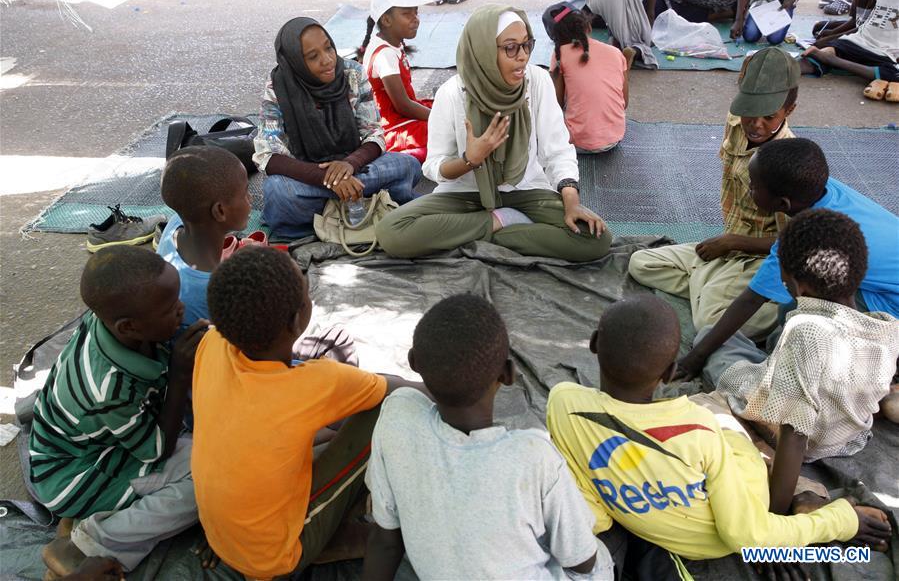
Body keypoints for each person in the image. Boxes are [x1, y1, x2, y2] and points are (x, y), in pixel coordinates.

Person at [546, 296, 892, 580]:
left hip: (670, 517)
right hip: (736, 521)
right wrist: (842, 521)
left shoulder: (562, 403)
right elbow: (747, 535)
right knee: (725, 413)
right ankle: (804, 495)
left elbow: (594, 509)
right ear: (670, 373)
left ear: (592, 345)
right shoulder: (698, 429)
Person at [191, 246, 424, 579]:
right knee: (388, 409)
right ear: (297, 320)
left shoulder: (211, 343)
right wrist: (463, 391)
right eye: (306, 290)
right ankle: (327, 540)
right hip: (273, 560)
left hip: (222, 532)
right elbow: (397, 388)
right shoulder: (317, 384)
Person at [363, 294, 614, 580]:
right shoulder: (534, 455)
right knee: (602, 551)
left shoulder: (397, 415)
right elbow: (580, 562)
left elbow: (385, 541)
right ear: (507, 374)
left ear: (413, 362)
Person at [701, 209, 899, 518]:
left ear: (795, 283)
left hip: (802, 439)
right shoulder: (887, 325)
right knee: (770, 349)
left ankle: (802, 491)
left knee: (716, 372)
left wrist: (776, 520)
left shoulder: (804, 332)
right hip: (848, 437)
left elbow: (794, 435)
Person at [376, 7, 612, 262]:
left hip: (525, 190)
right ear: (484, 49)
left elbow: (558, 151)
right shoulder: (453, 93)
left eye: (526, 45)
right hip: (464, 196)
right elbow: (434, 166)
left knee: (596, 238)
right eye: (510, 48)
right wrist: (470, 161)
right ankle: (500, 222)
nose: (522, 56)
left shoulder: (538, 81)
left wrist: (571, 202)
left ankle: (480, 233)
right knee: (392, 232)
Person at [30, 246, 206, 576]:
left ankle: (97, 518)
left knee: (209, 449)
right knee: (210, 480)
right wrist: (180, 374)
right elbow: (156, 451)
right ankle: (91, 544)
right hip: (76, 475)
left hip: (96, 442)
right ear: (128, 328)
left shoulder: (119, 326)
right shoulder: (108, 389)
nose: (181, 309)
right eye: (170, 309)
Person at [676, 138, 899, 381]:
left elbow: (751, 300)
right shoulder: (824, 190)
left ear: (782, 203)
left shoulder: (808, 236)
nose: (748, 188)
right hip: (884, 289)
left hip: (890, 311)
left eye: (753, 187)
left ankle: (793, 356)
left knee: (788, 311)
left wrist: (694, 358)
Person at [628, 47, 797, 340]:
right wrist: (725, 245)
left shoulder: (788, 163)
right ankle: (712, 287)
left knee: (709, 323)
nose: (755, 124)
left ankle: (789, 311)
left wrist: (733, 242)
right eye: (749, 112)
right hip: (726, 247)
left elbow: (790, 244)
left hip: (757, 257)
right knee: (641, 263)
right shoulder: (735, 120)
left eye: (768, 117)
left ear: (789, 110)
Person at [254, 17, 421, 239]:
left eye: (329, 48)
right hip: (309, 178)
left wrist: (349, 165)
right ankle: (359, 201)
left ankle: (326, 212)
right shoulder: (279, 87)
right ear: (294, 61)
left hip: (356, 169)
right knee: (278, 191)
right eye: (313, 57)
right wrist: (330, 180)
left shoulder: (352, 73)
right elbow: (268, 155)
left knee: (408, 165)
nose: (327, 60)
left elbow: (373, 133)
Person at [157, 146, 252, 332]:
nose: (251, 198)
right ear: (220, 211)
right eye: (245, 193)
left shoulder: (176, 224)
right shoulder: (215, 291)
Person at [359, 0, 432, 163]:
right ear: (386, 20)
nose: (415, 19)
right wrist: (439, 117)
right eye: (407, 14)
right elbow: (403, 106)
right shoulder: (385, 55)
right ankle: (402, 156)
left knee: (449, 106)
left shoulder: (393, 43)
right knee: (448, 130)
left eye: (416, 12)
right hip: (390, 126)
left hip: (402, 116)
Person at [544, 2, 629, 153]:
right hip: (614, 137)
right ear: (588, 26)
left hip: (577, 142)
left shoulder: (560, 54)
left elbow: (555, 105)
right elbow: (625, 102)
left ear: (555, 38)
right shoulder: (615, 52)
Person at [800, 0, 899, 102]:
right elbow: (864, 24)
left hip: (887, 52)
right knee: (824, 52)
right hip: (858, 40)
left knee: (893, 73)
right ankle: (787, 69)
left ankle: (832, 60)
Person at [584, 0, 660, 68]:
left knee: (618, 23)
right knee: (643, 42)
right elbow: (650, 13)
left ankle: (615, 44)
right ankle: (633, 51)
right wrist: (650, 15)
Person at [731, 0, 808, 45]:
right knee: (750, 36)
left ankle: (770, 27)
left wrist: (792, 0)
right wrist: (738, 20)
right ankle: (760, 24)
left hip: (784, 1)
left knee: (775, 39)